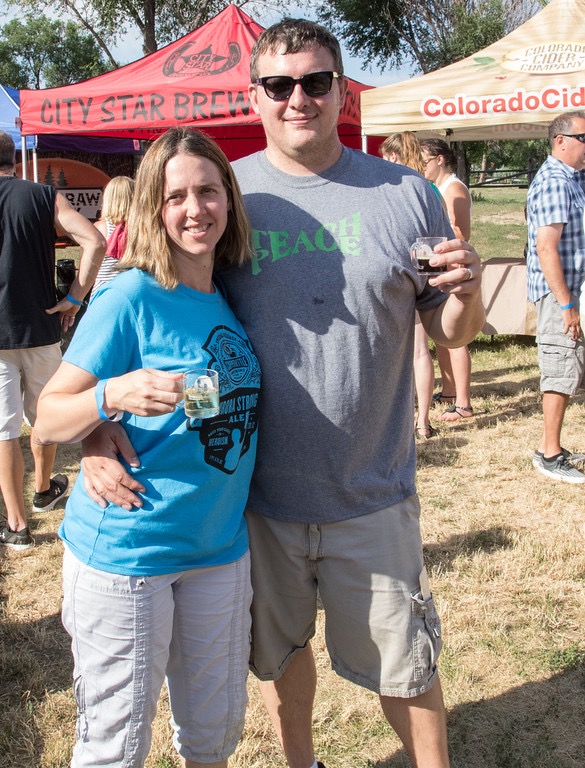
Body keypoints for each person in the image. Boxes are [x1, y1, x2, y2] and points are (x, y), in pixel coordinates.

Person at [81, 20, 485, 768]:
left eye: (315, 82)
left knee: (405, 663)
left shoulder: (406, 194)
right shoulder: (224, 195)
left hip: (372, 490)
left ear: (341, 90)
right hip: (254, 499)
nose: (298, 98)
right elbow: (142, 308)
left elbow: (449, 330)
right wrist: (92, 427)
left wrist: (468, 294)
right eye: (278, 84)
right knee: (278, 656)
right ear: (255, 96)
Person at [35, 127, 261, 768]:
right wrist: (111, 397)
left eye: (208, 191)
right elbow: (48, 417)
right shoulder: (129, 295)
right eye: (175, 197)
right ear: (151, 210)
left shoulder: (228, 290)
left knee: (214, 735)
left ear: (229, 198)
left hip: (218, 548)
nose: (195, 209)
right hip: (129, 550)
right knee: (116, 746)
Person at [0, 130, 106, 550]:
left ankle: (17, 526)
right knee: (45, 418)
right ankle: (44, 490)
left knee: (4, 431)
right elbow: (94, 241)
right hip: (41, 327)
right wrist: (74, 299)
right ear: (12, 159)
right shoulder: (42, 196)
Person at [525, 110, 585, 483]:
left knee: (571, 365)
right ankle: (549, 454)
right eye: (584, 138)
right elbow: (546, 248)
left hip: (572, 291)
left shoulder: (573, 178)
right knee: (561, 369)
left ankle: (553, 448)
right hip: (560, 294)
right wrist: (566, 305)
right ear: (560, 141)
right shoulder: (553, 182)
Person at [380, 132, 440, 440]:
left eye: (387, 156)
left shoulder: (403, 188)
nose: (383, 161)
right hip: (412, 275)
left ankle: (417, 419)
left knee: (412, 351)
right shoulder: (426, 187)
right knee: (418, 351)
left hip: (406, 278)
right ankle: (422, 420)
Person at [420, 138, 475, 423]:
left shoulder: (454, 188)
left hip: (453, 268)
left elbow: (461, 232)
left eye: (424, 161)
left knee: (455, 339)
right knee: (440, 336)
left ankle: (463, 402)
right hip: (439, 267)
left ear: (440, 159)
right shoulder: (438, 188)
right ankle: (450, 391)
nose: (421, 167)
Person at [91, 175, 135, 295]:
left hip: (104, 291)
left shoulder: (100, 228)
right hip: (133, 290)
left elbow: (89, 264)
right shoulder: (141, 228)